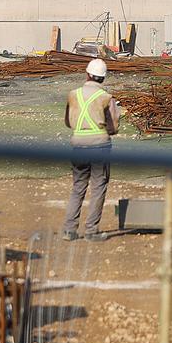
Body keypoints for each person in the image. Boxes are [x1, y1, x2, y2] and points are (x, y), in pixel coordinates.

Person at [63, 57, 120, 240]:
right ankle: (91, 231)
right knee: (98, 187)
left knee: (78, 186)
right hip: (100, 146)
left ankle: (69, 230)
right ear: (103, 78)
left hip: (78, 144)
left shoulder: (73, 94)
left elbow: (67, 121)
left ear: (87, 74)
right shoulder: (106, 98)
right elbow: (113, 127)